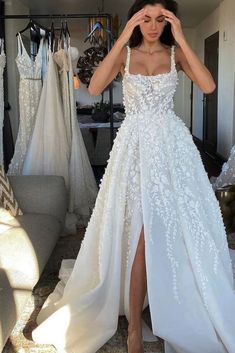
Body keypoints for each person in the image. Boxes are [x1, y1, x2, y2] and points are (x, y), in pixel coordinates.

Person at [32, 1, 235, 353]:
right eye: (146, 19)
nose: (153, 26)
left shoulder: (175, 54)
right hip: (134, 149)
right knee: (141, 230)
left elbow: (207, 85)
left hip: (172, 151)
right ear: (135, 21)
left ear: (169, 22)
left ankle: (167, 303)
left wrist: (182, 37)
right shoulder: (125, 55)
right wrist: (124, 35)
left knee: (168, 227)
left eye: (161, 19)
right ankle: (134, 328)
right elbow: (94, 87)